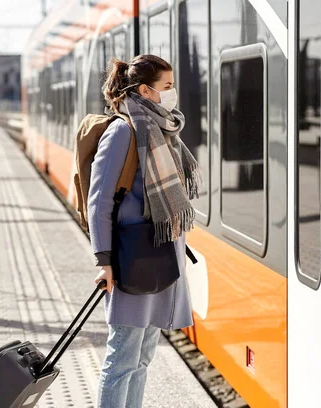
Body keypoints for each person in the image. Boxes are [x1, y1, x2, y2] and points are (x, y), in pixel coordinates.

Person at [87, 54, 201, 408]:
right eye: (167, 86)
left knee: (142, 360)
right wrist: (103, 261)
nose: (172, 93)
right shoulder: (123, 130)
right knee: (121, 361)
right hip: (132, 260)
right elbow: (100, 202)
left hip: (162, 256)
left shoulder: (163, 128)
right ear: (145, 91)